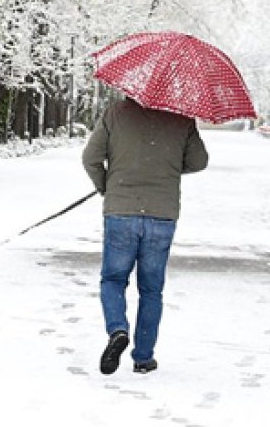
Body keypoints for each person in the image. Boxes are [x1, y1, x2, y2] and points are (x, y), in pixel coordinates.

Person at [82, 97, 209, 375]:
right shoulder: (181, 117)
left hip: (120, 211)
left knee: (114, 279)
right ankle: (143, 357)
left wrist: (106, 187)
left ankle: (117, 329)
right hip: (162, 214)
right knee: (151, 289)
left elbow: (90, 158)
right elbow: (200, 161)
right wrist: (170, 165)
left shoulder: (116, 113)